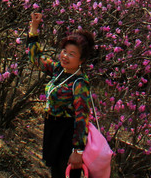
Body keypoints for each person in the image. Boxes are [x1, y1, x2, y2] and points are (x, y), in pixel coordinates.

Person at [27, 12, 93, 178]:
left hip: (67, 136)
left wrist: (78, 150)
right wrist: (34, 29)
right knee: (56, 172)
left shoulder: (79, 83)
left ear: (81, 60)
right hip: (53, 130)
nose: (65, 56)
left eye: (72, 54)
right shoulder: (59, 70)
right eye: (64, 51)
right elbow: (35, 58)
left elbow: (82, 117)